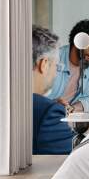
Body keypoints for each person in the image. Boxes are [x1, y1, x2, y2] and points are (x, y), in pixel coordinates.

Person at [47, 19, 89, 112]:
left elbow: (87, 98)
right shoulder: (52, 59)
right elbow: (33, 96)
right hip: (44, 115)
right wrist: (52, 104)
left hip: (68, 117)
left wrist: (73, 108)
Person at [32, 25, 74, 154]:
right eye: (56, 66)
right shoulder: (48, 112)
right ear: (44, 64)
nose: (56, 74)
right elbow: (77, 157)